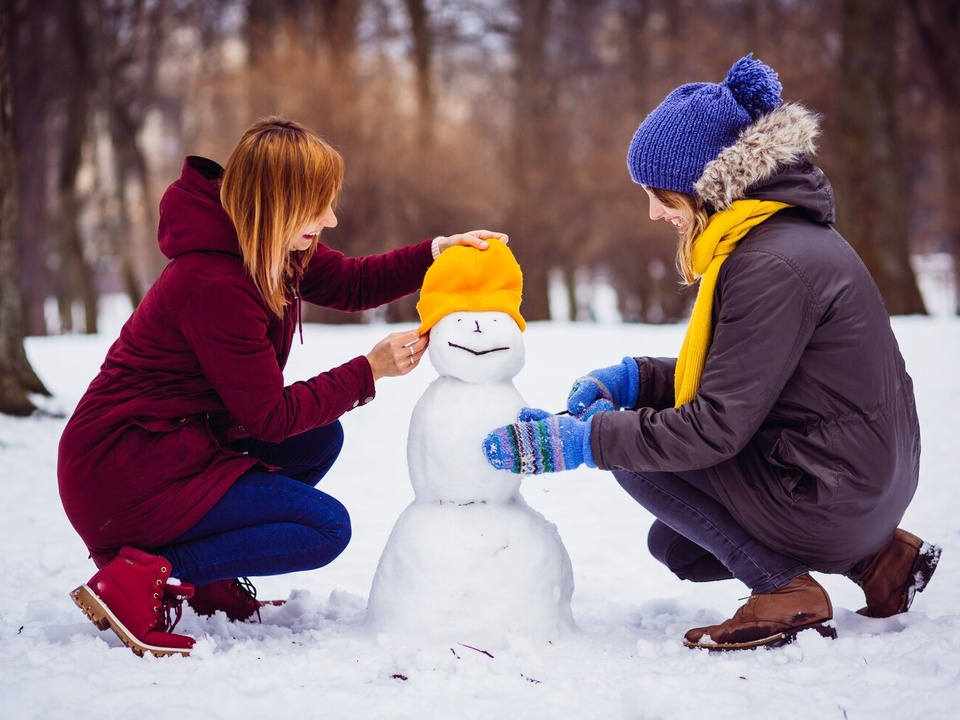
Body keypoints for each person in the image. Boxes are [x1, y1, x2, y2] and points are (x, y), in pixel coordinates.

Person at [483, 54, 941, 651]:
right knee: (676, 547)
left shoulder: (768, 263)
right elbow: (753, 380)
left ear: (706, 185)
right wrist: (635, 380)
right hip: (859, 482)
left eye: (662, 196)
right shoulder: (784, 238)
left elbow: (714, 428)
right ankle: (880, 563)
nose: (653, 212)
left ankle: (787, 592)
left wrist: (586, 441)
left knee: (631, 449)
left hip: (834, 491)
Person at [59, 115, 507, 657]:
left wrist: (438, 251)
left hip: (174, 443)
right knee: (324, 528)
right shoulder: (214, 284)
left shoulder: (269, 247)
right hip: (125, 470)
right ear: (280, 204)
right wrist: (368, 370)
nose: (332, 219)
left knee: (320, 439)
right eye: (320, 206)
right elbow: (267, 418)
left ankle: (204, 584)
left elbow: (352, 281)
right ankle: (144, 579)